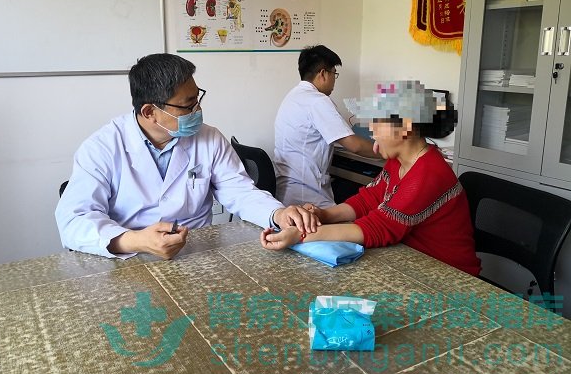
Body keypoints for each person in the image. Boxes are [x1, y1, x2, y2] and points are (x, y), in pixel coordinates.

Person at [56, 53, 318, 260]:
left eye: (197, 99)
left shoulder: (209, 138)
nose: (198, 110)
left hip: (198, 253)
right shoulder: (102, 147)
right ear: (149, 112)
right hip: (130, 257)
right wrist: (134, 240)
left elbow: (240, 192)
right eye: (187, 105)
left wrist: (277, 213)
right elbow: (73, 220)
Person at [261, 80, 481, 276]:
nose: (372, 131)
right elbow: (369, 199)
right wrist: (323, 215)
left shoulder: (428, 174)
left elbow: (377, 228)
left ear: (404, 128)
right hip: (411, 261)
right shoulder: (399, 160)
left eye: (378, 123)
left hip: (448, 274)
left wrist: (300, 235)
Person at [274, 45, 377, 209]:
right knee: (365, 212)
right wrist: (389, 150)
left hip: (287, 191)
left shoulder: (293, 96)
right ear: (323, 74)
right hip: (307, 197)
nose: (334, 80)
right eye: (334, 74)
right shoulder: (317, 101)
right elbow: (355, 146)